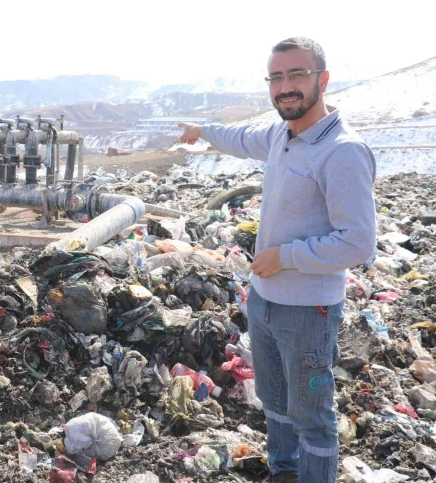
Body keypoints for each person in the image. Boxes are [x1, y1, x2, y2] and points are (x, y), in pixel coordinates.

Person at [178, 37, 376, 483]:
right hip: (265, 299)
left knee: (312, 414)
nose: (285, 86)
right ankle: (283, 471)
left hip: (308, 309)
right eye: (276, 77)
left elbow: (358, 243)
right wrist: (203, 131)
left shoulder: (342, 150)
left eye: (297, 75)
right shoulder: (281, 134)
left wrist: (284, 257)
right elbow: (242, 137)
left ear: (322, 80)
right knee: (274, 399)